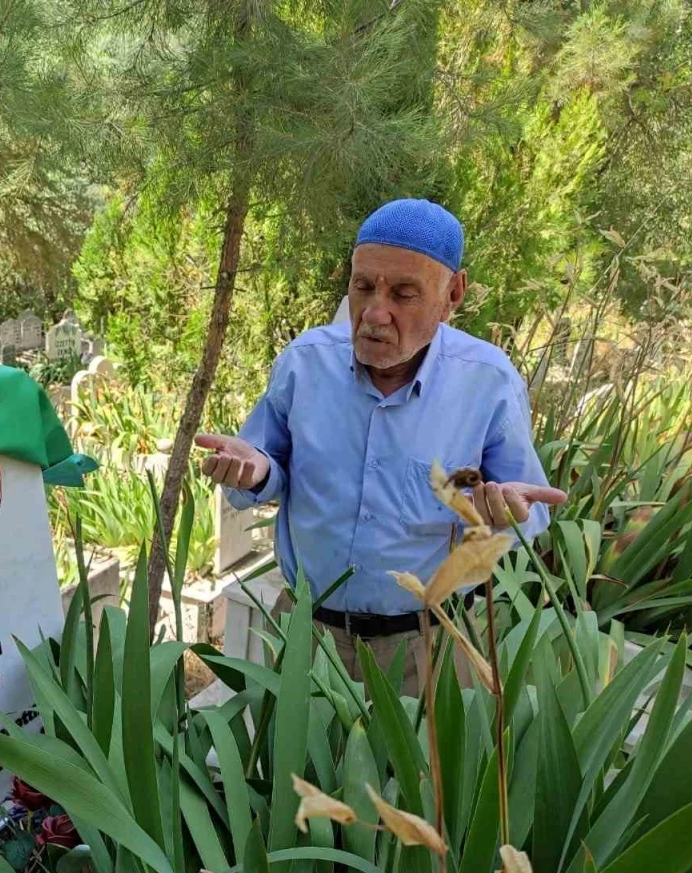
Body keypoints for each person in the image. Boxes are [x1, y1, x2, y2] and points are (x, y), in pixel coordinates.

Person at [197, 198, 567, 694]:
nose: (374, 313)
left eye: (403, 294)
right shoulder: (305, 364)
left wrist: (504, 514)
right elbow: (268, 465)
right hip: (306, 638)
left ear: (453, 294)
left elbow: (530, 509)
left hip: (429, 647)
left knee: (420, 751)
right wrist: (256, 472)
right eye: (363, 286)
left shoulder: (489, 383)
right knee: (286, 748)